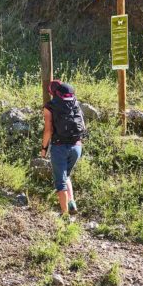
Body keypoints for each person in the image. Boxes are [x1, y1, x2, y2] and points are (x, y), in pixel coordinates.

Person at [40, 80, 86, 216]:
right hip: (77, 147)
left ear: (51, 92)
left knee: (60, 183)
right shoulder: (75, 103)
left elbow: (48, 130)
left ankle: (65, 216)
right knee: (67, 175)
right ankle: (72, 202)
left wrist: (44, 148)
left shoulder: (50, 106)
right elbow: (83, 125)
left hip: (60, 148)